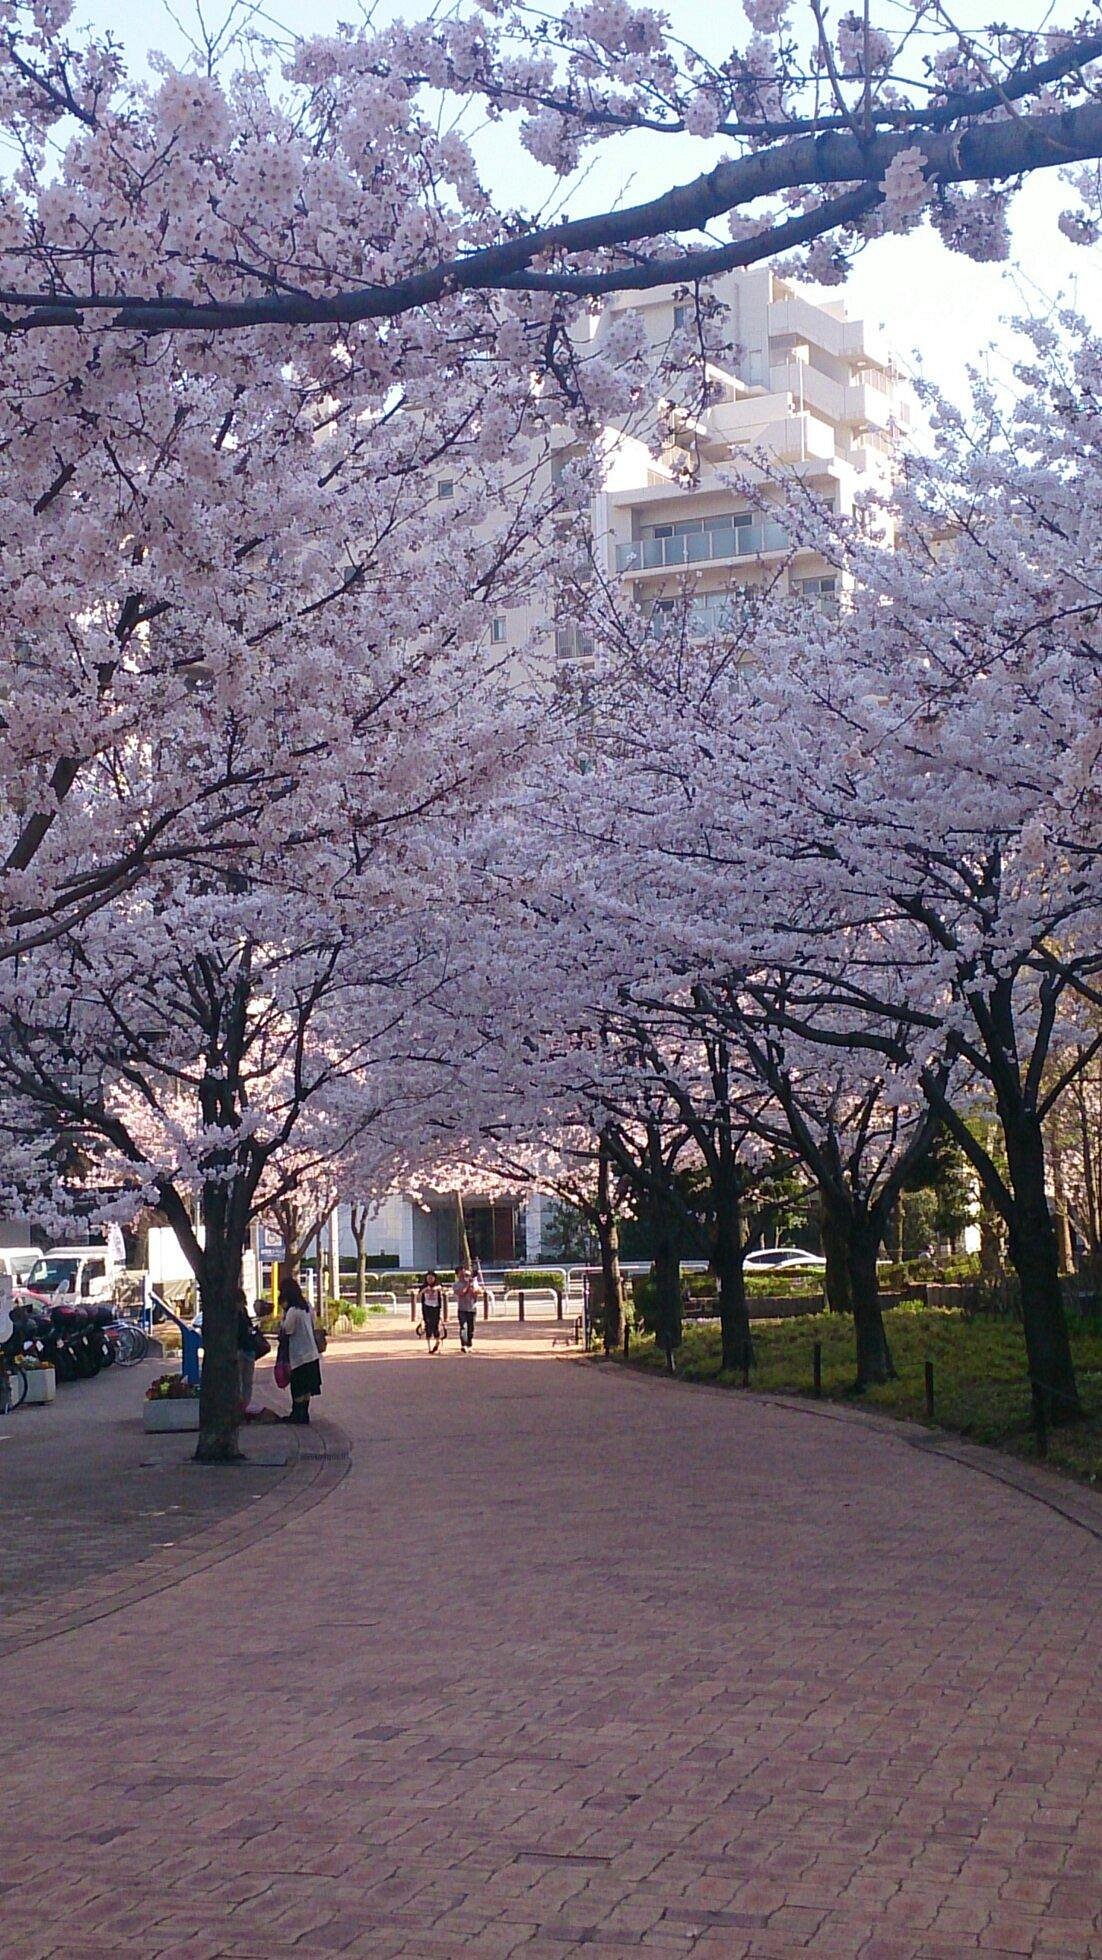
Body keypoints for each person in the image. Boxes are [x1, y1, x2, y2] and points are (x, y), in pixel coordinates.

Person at [279, 1275, 321, 1423]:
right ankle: (305, 1413)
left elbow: (287, 1330)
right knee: (307, 1387)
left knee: (297, 1386)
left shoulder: (292, 1311)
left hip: (299, 1355)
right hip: (312, 1352)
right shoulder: (307, 1307)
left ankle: (297, 1414)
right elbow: (314, 1324)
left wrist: (283, 1318)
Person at [236, 1287, 258, 1417]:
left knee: (247, 1381)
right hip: (240, 1349)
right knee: (239, 1380)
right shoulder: (232, 1314)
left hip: (247, 1349)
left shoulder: (243, 1312)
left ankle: (244, 1406)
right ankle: (239, 1407)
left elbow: (249, 1327)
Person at [418, 1270, 446, 1353]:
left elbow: (442, 1289)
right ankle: (429, 1346)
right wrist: (426, 1289)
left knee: (435, 1325)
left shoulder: (438, 1285)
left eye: (431, 1278)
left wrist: (435, 1288)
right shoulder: (424, 1286)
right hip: (426, 1308)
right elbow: (419, 1295)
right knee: (428, 1326)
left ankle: (438, 1342)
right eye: (428, 1278)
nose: (430, 1280)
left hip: (436, 1308)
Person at [454, 1263, 478, 1352]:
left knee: (471, 1328)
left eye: (465, 1274)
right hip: (462, 1309)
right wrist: (467, 1285)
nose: (463, 1276)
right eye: (461, 1274)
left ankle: (469, 1344)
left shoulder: (472, 1283)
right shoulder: (456, 1285)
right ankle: (463, 1344)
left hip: (472, 1308)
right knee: (463, 1327)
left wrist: (472, 1284)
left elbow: (477, 1293)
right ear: (457, 1275)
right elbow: (461, 1293)